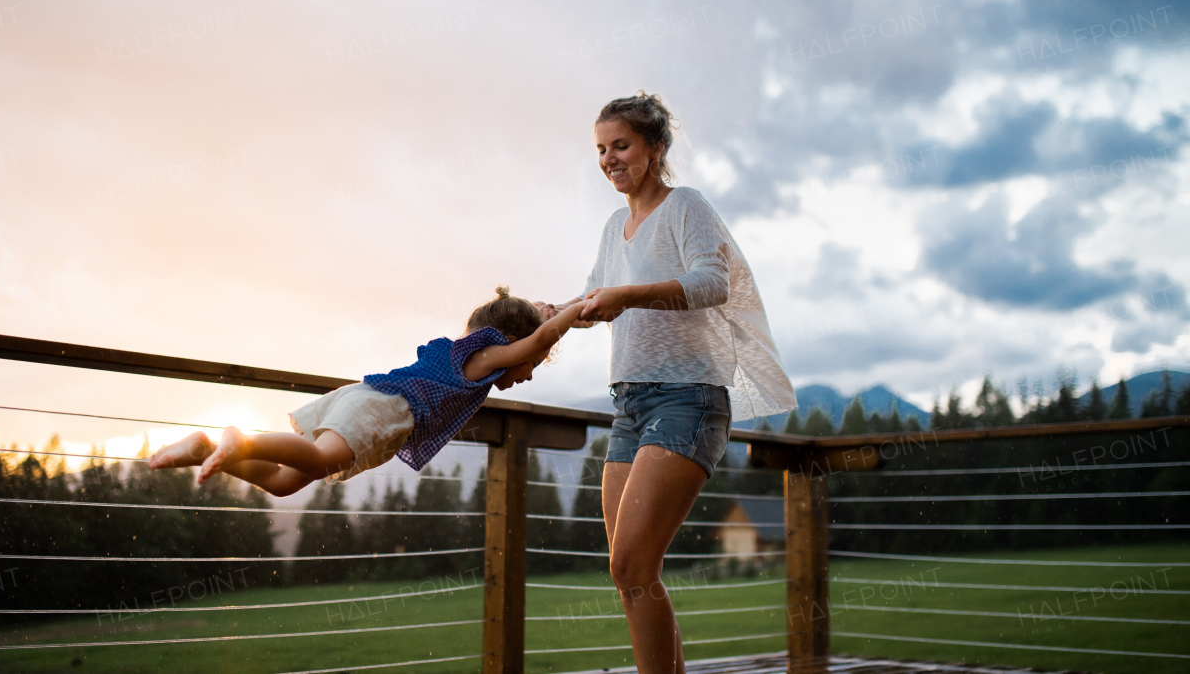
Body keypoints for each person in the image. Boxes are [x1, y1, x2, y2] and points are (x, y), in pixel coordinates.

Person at [537, 92, 796, 674]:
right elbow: (591, 297)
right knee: (630, 573)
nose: (609, 159)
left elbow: (712, 283)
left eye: (621, 145)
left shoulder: (687, 207)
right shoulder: (613, 227)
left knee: (632, 564)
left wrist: (626, 296)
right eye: (601, 149)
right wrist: (549, 311)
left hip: (688, 401)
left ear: (654, 148)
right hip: (628, 405)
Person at [149, 288, 584, 496]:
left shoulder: (464, 355)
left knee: (284, 483)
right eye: (533, 366)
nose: (529, 373)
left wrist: (552, 311)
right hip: (383, 409)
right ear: (507, 343)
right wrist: (580, 309)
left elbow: (535, 337)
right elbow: (537, 340)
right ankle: (239, 440)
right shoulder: (485, 356)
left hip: (364, 398)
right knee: (321, 461)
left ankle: (203, 447)